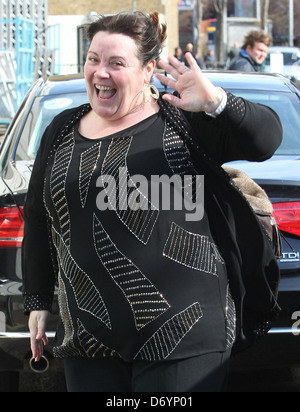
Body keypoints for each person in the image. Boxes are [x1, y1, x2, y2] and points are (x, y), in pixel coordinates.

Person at [22, 11, 282, 392]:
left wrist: (216, 101)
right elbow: (39, 219)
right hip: (89, 337)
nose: (101, 72)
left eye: (116, 63)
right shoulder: (61, 130)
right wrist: (37, 299)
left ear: (148, 71)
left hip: (184, 335)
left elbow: (267, 140)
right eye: (94, 59)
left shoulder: (181, 121)